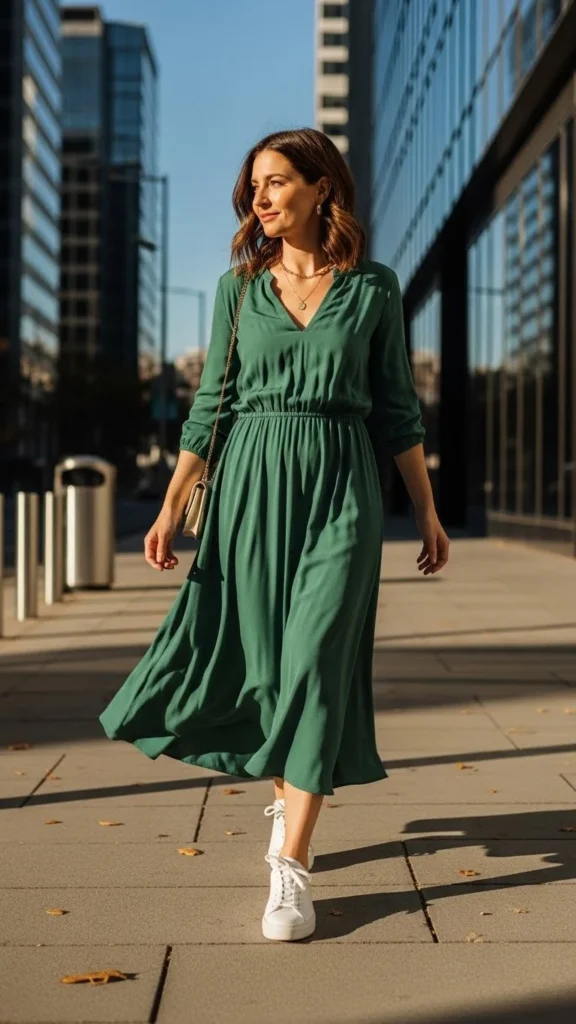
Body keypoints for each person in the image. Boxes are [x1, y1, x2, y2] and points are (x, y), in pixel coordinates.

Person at [99, 127, 449, 943]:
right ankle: (290, 785)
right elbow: (212, 405)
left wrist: (425, 509)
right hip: (250, 488)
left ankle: (290, 867)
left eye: (277, 182)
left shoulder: (374, 288)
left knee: (319, 661)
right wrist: (171, 503)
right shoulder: (238, 289)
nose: (259, 198)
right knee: (266, 664)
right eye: (254, 185)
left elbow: (397, 408)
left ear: (323, 189)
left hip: (341, 488)